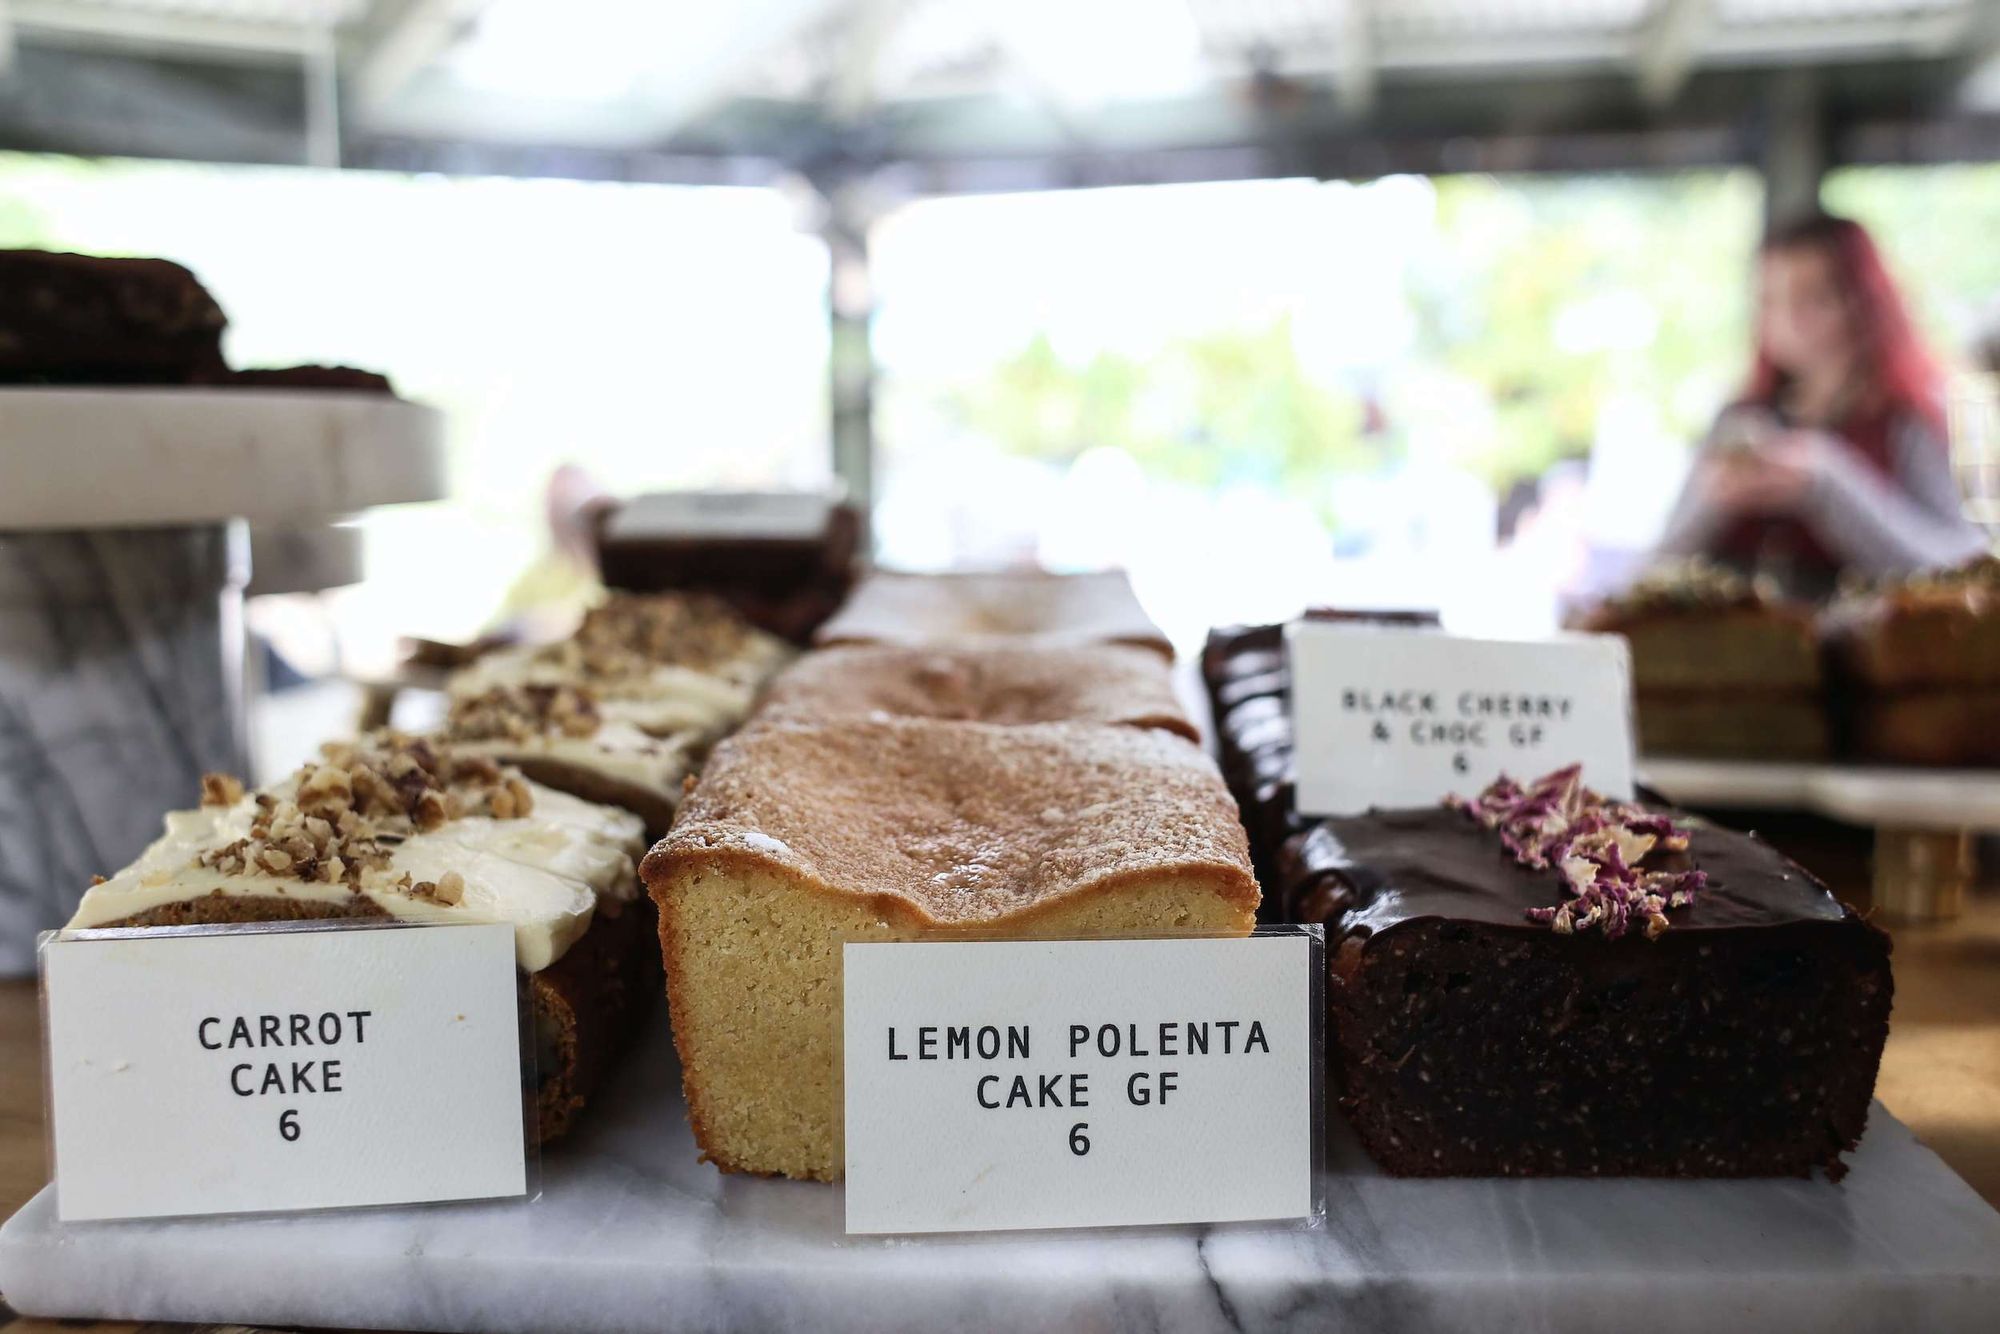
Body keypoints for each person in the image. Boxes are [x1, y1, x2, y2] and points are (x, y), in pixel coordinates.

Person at [1656, 212, 1987, 599]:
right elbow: (1652, 572)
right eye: (1772, 299)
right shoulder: (1739, 419)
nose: (1790, 319)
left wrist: (1826, 483)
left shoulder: (1911, 419)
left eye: (1814, 298)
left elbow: (1964, 569)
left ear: (1863, 302)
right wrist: (1714, 497)